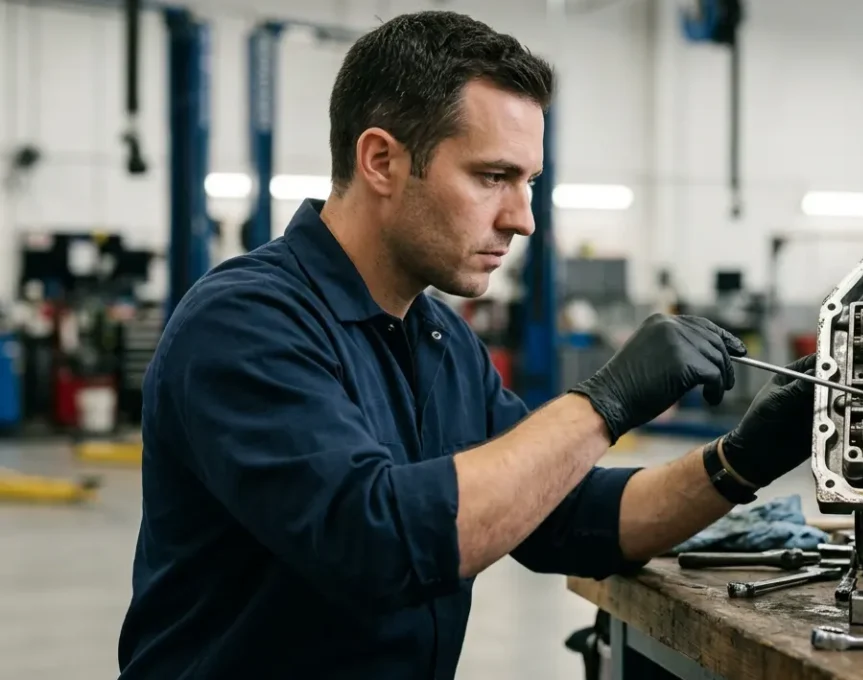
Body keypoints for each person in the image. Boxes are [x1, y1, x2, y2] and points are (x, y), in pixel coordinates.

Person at [117, 11, 817, 680]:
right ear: (382, 161)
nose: (523, 219)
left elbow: (567, 517)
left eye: (530, 183)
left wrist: (740, 460)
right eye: (493, 177)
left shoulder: (441, 339)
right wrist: (604, 402)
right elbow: (377, 541)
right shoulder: (246, 322)